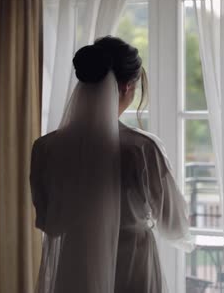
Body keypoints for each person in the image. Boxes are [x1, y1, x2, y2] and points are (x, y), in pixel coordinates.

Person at [30, 36, 193, 293]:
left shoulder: (45, 148)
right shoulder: (141, 149)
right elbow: (174, 226)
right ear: (128, 87)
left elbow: (50, 223)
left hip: (76, 269)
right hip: (132, 268)